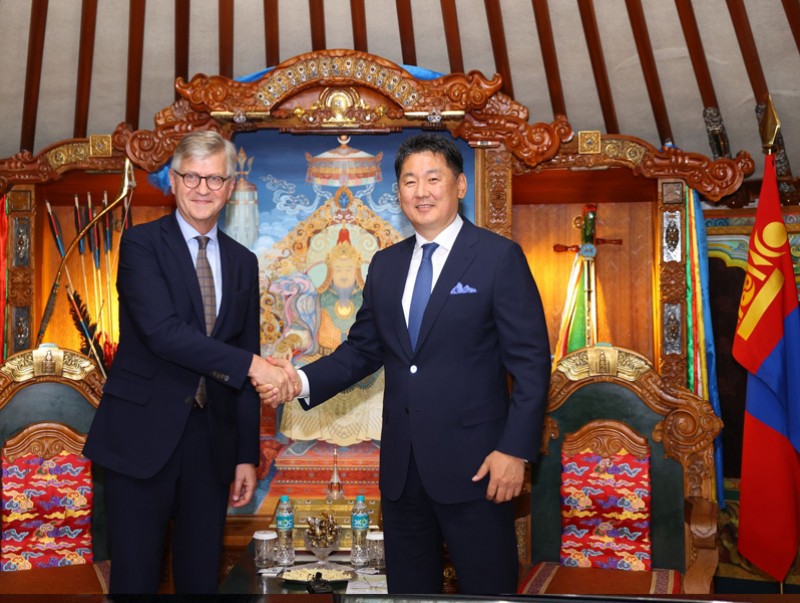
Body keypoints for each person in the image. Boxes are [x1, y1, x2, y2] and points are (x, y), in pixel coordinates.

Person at [267, 133, 551, 594]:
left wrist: (514, 451)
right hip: (402, 472)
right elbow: (362, 350)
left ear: (459, 185)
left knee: (488, 593)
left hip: (480, 466)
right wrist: (297, 381)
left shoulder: (498, 258)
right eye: (409, 181)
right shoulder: (386, 265)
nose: (421, 191)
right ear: (398, 191)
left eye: (433, 179)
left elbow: (533, 364)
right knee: (408, 595)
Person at [83, 130, 294, 594]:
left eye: (214, 179)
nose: (203, 188)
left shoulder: (243, 262)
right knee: (135, 582)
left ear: (230, 187)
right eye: (192, 177)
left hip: (211, 445)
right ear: (174, 182)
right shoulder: (141, 245)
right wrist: (254, 365)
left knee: (200, 581)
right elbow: (164, 334)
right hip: (140, 438)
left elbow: (243, 351)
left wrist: (245, 455)